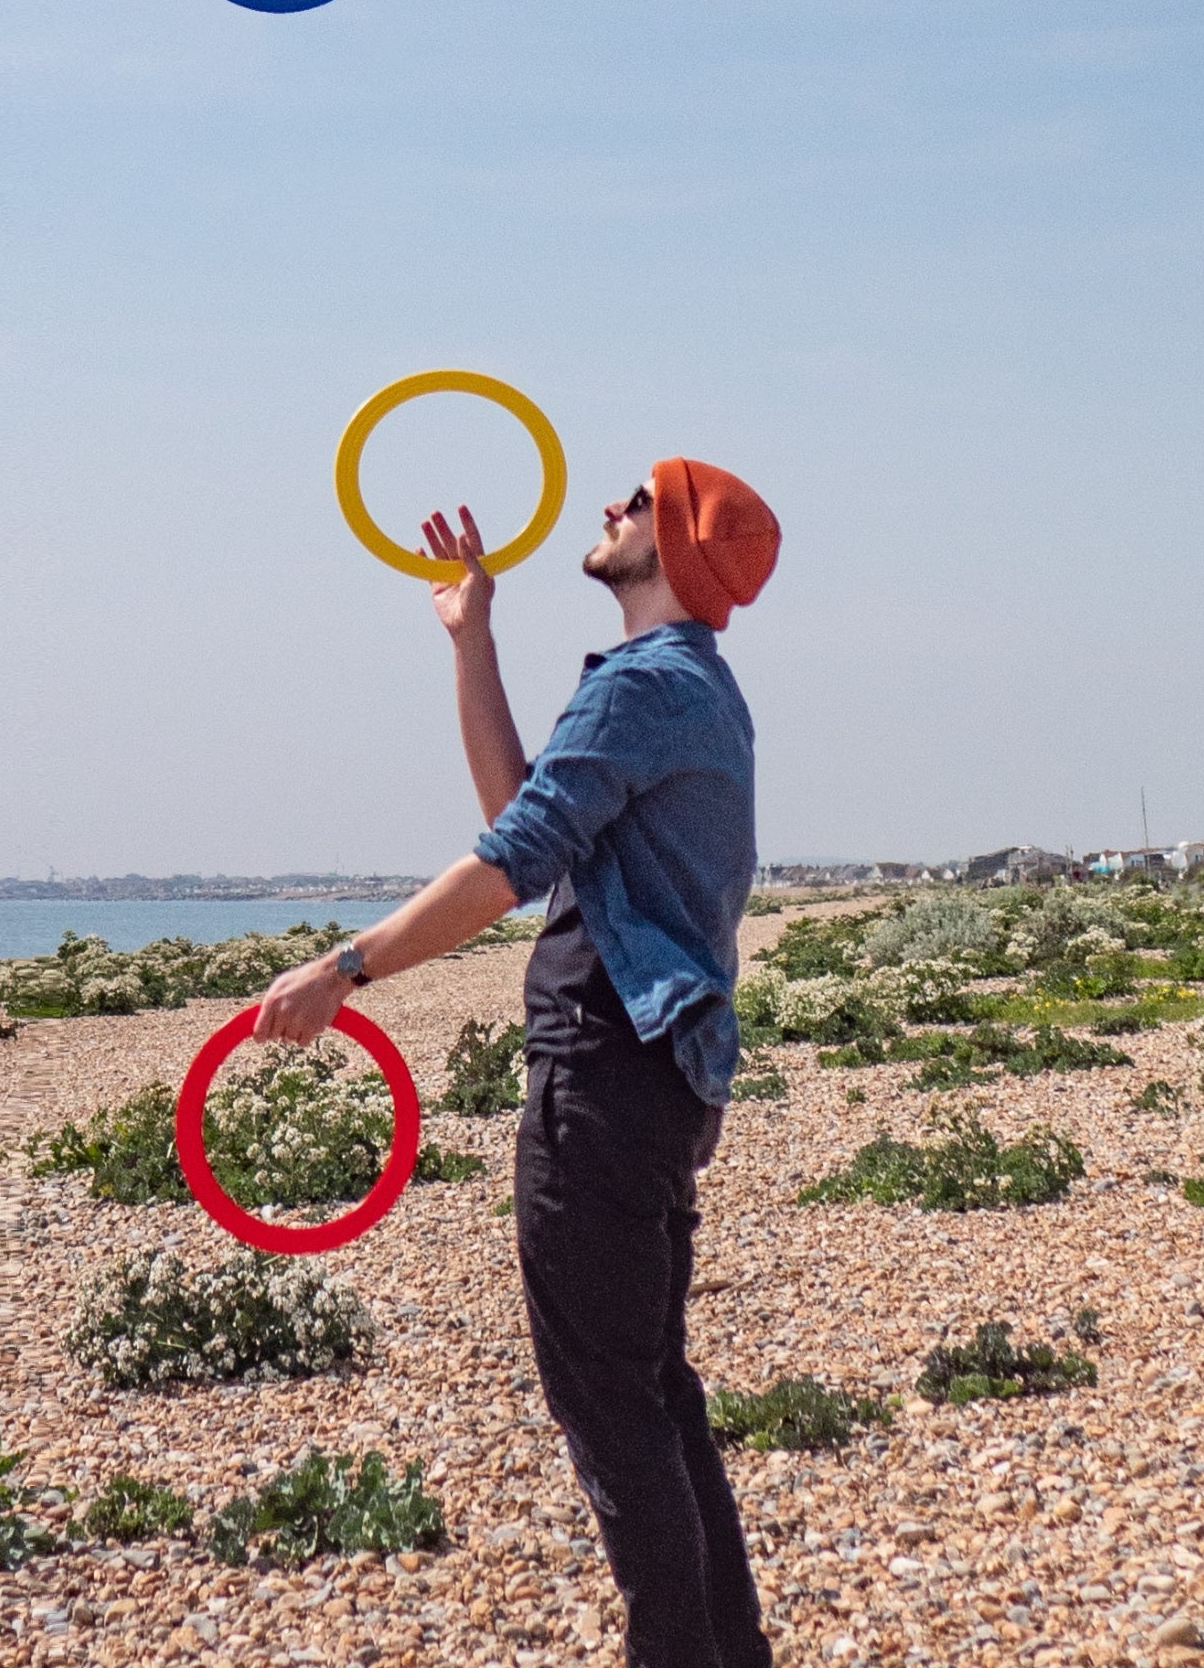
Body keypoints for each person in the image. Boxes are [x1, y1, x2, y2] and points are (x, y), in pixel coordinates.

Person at [254, 457, 782, 1668]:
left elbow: (504, 866)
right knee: (650, 1388)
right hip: (646, 1076)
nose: (608, 504)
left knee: (608, 1400)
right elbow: (531, 828)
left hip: (604, 1068)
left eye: (637, 499)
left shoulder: (647, 686)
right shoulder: (685, 685)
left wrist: (346, 965)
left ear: (680, 544)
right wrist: (469, 639)